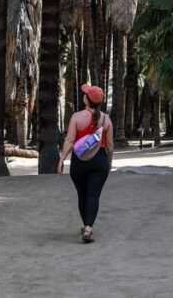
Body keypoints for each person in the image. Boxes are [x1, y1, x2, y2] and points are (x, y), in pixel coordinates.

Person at [58, 83, 114, 243]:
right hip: (99, 161)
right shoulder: (106, 120)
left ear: (86, 100)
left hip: (79, 162)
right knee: (93, 195)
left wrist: (62, 159)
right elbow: (109, 145)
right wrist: (109, 161)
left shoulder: (76, 117)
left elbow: (69, 141)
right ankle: (88, 228)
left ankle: (86, 224)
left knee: (82, 194)